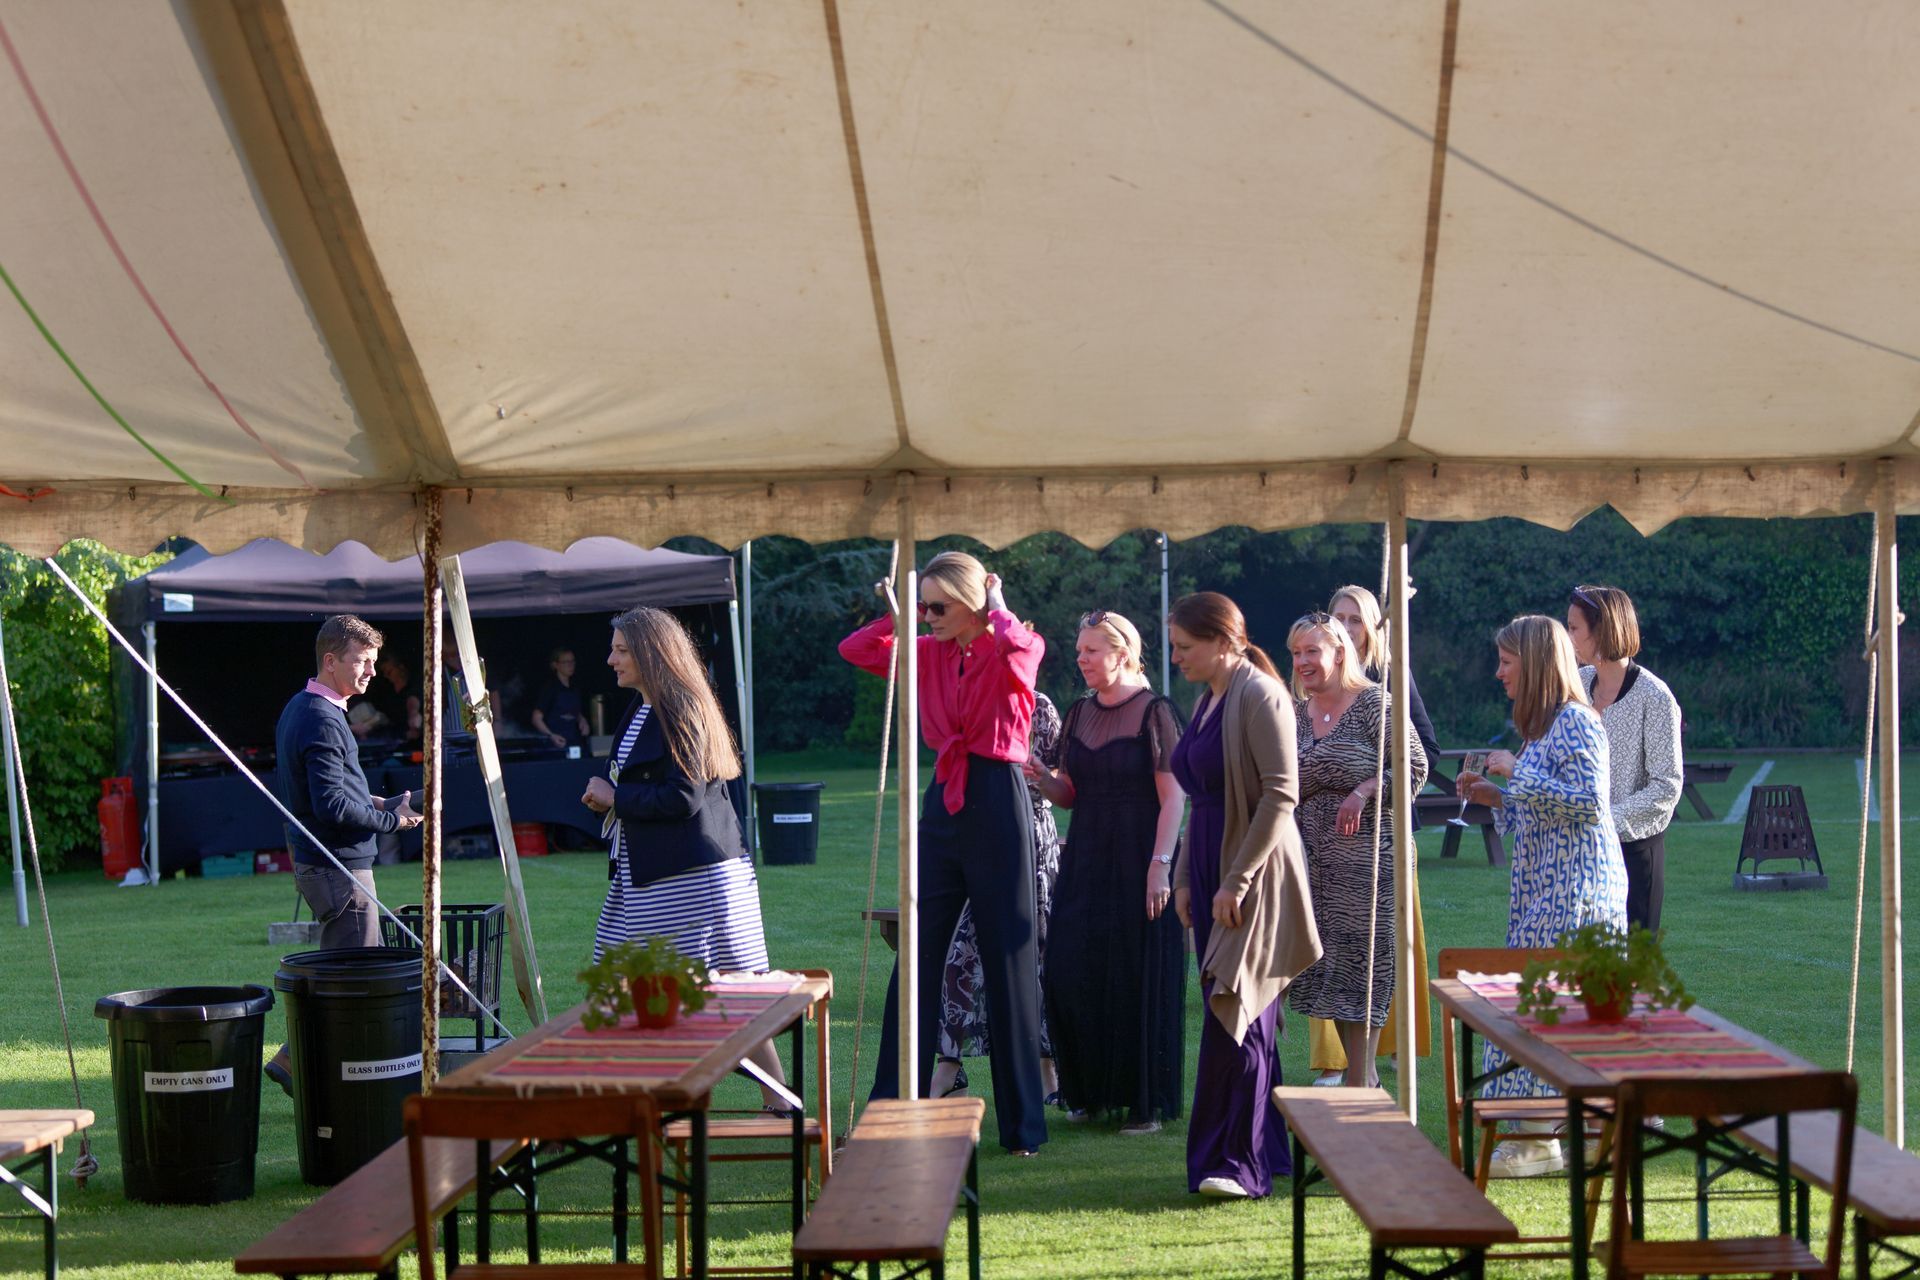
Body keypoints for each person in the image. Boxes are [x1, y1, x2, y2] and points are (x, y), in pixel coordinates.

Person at [839, 551, 1048, 1156]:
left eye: (938, 606)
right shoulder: (926, 651)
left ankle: (1023, 1129)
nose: (928, 616)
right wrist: (899, 617)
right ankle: (887, 1111)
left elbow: (1023, 650)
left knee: (1010, 960)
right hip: (944, 803)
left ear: (974, 602)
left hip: (998, 799)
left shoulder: (1011, 646)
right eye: (923, 604)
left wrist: (999, 607)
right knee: (916, 956)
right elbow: (855, 650)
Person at [580, 605, 789, 1106]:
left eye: (622, 650)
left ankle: (692, 1099)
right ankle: (772, 1098)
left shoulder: (681, 706)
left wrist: (616, 798)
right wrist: (610, 798)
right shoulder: (644, 706)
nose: (610, 659)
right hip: (649, 873)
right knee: (621, 982)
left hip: (693, 876)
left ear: (651, 654)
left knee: (714, 993)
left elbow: (684, 797)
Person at [1457, 614, 1628, 1177]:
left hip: (1576, 891)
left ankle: (1540, 1137)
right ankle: (1546, 1134)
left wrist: (1517, 776)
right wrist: (1495, 796)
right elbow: (1541, 813)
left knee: (1536, 1007)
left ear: (1534, 663)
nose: (1498, 672)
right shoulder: (1543, 727)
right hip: (1544, 887)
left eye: (1507, 662)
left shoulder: (1578, 721)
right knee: (1542, 1008)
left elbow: (1588, 804)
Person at [1168, 592, 1319, 1199]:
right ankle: (1270, 1151)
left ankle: (1238, 1166)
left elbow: (1282, 795)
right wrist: (1184, 876)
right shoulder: (1209, 698)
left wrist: (1237, 879)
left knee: (1241, 1010)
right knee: (1228, 1008)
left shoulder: (1260, 694)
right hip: (1209, 865)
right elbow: (1198, 797)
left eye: (1185, 646)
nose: (1175, 657)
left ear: (1224, 641)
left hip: (1251, 871)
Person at [1031, 612, 1186, 1132]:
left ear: (1122, 653)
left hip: (1141, 856)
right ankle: (1090, 1092)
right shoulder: (1078, 713)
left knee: (1134, 975)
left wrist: (1160, 868)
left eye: (1091, 651)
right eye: (1079, 651)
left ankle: (1142, 1105)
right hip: (1086, 856)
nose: (1081, 659)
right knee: (1070, 968)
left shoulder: (1156, 713)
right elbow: (1071, 793)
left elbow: (1173, 799)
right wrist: (1043, 778)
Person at [267, 614, 424, 1092]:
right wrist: (392, 821)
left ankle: (302, 1063)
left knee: (345, 974)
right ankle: (319, 1072)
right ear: (331, 660)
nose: (372, 672)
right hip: (339, 869)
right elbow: (330, 806)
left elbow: (332, 791)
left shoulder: (306, 707)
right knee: (352, 984)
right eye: (363, 661)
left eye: (374, 662)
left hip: (331, 866)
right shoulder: (321, 717)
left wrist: (381, 802)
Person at [1284, 613, 1426, 1087]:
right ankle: (1360, 1078)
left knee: (1363, 962)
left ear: (1340, 653)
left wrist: (1365, 790)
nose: (1302, 661)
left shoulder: (1374, 705)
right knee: (1330, 965)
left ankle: (1360, 1080)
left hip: (1367, 858)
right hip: (1311, 862)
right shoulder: (1295, 712)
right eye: (1297, 652)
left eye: (1312, 652)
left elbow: (1414, 769)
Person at [931, 691, 1064, 1105]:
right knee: (961, 958)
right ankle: (948, 1069)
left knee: (1036, 957)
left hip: (1027, 842)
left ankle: (1046, 1071)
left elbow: (1052, 779)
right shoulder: (961, 699)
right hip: (970, 840)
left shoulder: (1037, 706)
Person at [1567, 585, 1683, 932]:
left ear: (1601, 631)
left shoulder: (1655, 696)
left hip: (1634, 855)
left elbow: (1666, 787)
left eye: (1574, 628)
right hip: (1582, 853)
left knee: (1631, 977)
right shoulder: (1575, 684)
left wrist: (1603, 820)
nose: (1567, 636)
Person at [532, 647, 590, 749]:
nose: (570, 665)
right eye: (566, 662)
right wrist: (551, 735)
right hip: (555, 746)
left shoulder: (575, 687)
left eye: (572, 661)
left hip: (574, 742)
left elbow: (575, 712)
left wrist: (582, 721)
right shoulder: (550, 689)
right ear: (555, 665)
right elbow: (536, 718)